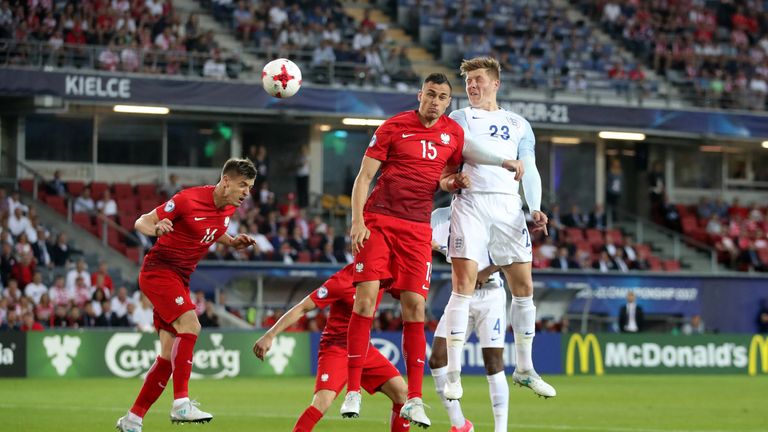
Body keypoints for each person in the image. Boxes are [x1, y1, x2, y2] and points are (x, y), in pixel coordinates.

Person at [341, 72, 521, 426]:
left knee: (415, 307)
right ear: (419, 94)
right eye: (430, 95)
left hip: (417, 229)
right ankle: (352, 390)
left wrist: (454, 181)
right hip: (380, 221)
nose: (435, 102)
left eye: (442, 97)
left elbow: (445, 178)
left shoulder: (453, 134)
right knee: (365, 300)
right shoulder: (393, 127)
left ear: (448, 102)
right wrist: (357, 221)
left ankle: (415, 399)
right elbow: (364, 177)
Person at [441, 56, 555, 401]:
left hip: (508, 207)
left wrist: (534, 206)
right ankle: (453, 374)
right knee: (462, 284)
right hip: (472, 202)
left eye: (478, 79)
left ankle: (525, 368)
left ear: (495, 83)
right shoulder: (458, 118)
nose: (472, 86)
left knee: (524, 286)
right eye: (468, 82)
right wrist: (450, 180)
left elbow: (530, 167)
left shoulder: (519, 123)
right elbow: (448, 166)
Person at [116, 158, 258, 432]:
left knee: (169, 357)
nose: (246, 192)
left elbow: (210, 228)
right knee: (191, 325)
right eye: (243, 185)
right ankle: (181, 403)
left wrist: (231, 241)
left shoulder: (227, 209)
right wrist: (156, 229)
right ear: (226, 181)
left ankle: (132, 419)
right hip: (159, 271)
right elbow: (141, 221)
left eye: (250, 187)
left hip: (180, 279)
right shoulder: (187, 199)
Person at [253, 264, 410, 432]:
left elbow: (402, 286)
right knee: (322, 402)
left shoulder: (381, 275)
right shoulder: (342, 281)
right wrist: (270, 335)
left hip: (363, 347)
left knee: (401, 392)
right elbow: (302, 307)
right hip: (337, 348)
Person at [428, 207, 507, 432]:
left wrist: (485, 272)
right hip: (461, 296)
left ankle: (501, 429)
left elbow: (510, 252)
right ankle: (460, 425)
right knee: (437, 359)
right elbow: (426, 242)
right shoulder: (439, 217)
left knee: (493, 363)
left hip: (489, 295)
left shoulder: (488, 212)